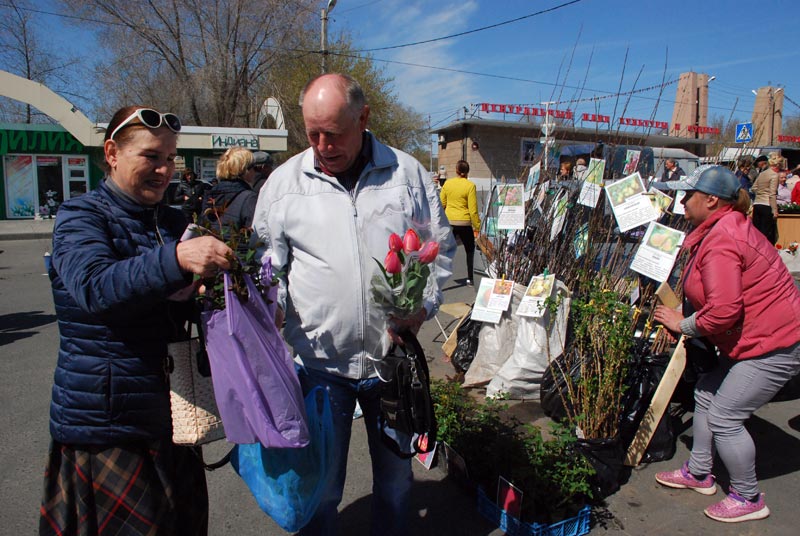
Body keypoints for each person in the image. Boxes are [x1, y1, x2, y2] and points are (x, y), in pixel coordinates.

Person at [253, 73, 455, 536]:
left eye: (334, 132)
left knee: (397, 482)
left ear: (363, 118)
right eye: (313, 133)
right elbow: (268, 268)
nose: (322, 145)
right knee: (321, 490)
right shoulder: (284, 186)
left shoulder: (408, 176)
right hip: (320, 368)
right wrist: (272, 305)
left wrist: (422, 308)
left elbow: (438, 250)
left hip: (390, 364)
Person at [39, 106, 233, 535]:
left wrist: (231, 300)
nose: (164, 170)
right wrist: (177, 259)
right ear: (111, 153)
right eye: (150, 157)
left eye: (169, 159)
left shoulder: (173, 220)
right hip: (108, 425)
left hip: (174, 413)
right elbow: (96, 288)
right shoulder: (81, 217)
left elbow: (173, 306)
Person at [653, 165, 800, 524]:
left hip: (774, 345)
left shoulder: (723, 240)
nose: (682, 201)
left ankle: (748, 497)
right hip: (755, 340)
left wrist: (681, 323)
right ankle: (700, 473)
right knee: (707, 391)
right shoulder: (719, 230)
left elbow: (723, 311)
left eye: (689, 195)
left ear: (711, 200)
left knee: (725, 415)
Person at [440, 159, 480, 286]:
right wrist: (478, 226)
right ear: (467, 171)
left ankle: (440, 278)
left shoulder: (447, 184)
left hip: (450, 222)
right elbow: (473, 210)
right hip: (464, 223)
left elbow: (442, 204)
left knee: (445, 251)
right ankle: (470, 278)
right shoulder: (470, 186)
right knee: (469, 250)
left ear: (456, 170)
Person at [202, 146, 259, 235]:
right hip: (238, 248)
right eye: (254, 167)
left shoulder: (210, 195)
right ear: (244, 170)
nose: (256, 172)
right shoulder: (249, 197)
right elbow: (255, 234)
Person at [750, 151, 780, 244]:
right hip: (767, 205)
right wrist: (774, 210)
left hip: (757, 204)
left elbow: (754, 188)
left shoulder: (762, 174)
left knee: (757, 232)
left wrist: (760, 193)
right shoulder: (774, 175)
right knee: (766, 233)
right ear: (777, 165)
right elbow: (772, 194)